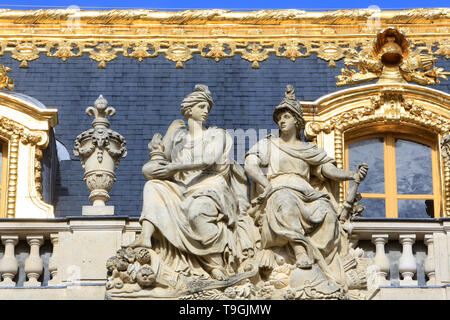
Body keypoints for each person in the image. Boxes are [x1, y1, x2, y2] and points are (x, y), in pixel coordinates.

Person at [244, 85, 368, 290]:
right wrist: (267, 185)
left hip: (307, 193)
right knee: (285, 201)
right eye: (279, 118)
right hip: (279, 190)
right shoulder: (269, 144)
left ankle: (319, 258)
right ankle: (300, 250)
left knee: (327, 213)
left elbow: (328, 170)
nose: (281, 121)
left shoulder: (308, 149)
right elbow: (250, 163)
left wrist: (351, 175)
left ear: (297, 122)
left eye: (286, 117)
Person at [129, 84, 257, 281]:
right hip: (183, 187)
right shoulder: (179, 138)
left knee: (199, 210)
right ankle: (145, 236)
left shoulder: (217, 134)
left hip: (211, 185)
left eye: (207, 107)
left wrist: (174, 167)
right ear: (189, 110)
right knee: (153, 186)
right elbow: (150, 170)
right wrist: (161, 148)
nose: (206, 111)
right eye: (201, 106)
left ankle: (215, 265)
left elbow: (209, 159)